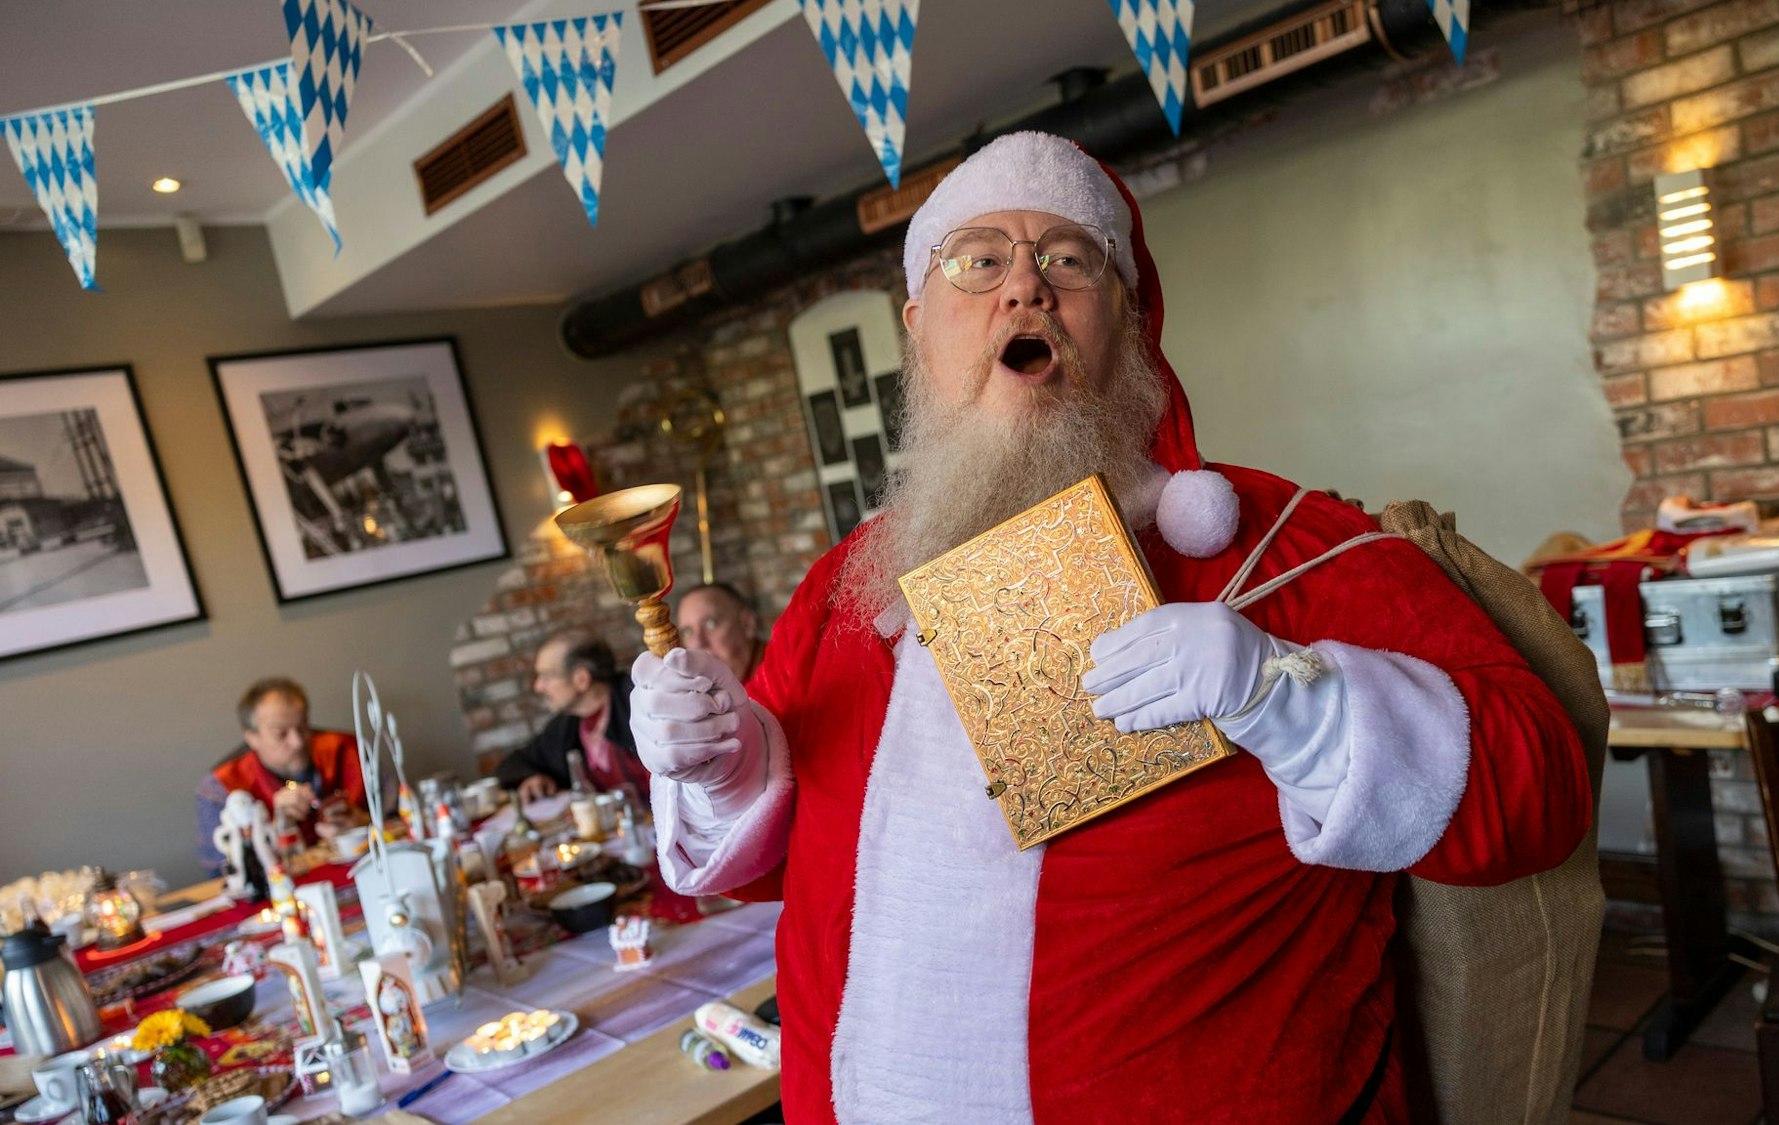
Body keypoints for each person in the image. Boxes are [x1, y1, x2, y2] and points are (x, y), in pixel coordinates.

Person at [631, 133, 1592, 1123]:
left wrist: (1290, 696)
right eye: (979, 261)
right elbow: (781, 876)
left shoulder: (1285, 549)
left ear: (1131, 321)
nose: (1025, 289)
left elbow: (1538, 799)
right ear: (919, 329)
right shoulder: (845, 589)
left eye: (1068, 259)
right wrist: (723, 767)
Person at [196, 677, 366, 877]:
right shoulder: (220, 787)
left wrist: (364, 825)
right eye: (281, 733)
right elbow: (220, 873)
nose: (298, 742)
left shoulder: (348, 751)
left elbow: (401, 820)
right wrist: (275, 833)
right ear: (252, 738)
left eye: (303, 727)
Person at [493, 629, 646, 801]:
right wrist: (531, 777)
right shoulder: (567, 725)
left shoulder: (640, 703)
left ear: (581, 679)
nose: (538, 687)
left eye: (547, 677)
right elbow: (513, 763)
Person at [674, 583, 764, 682]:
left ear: (747, 624)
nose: (698, 643)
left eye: (711, 624)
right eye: (687, 632)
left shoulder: (780, 671)